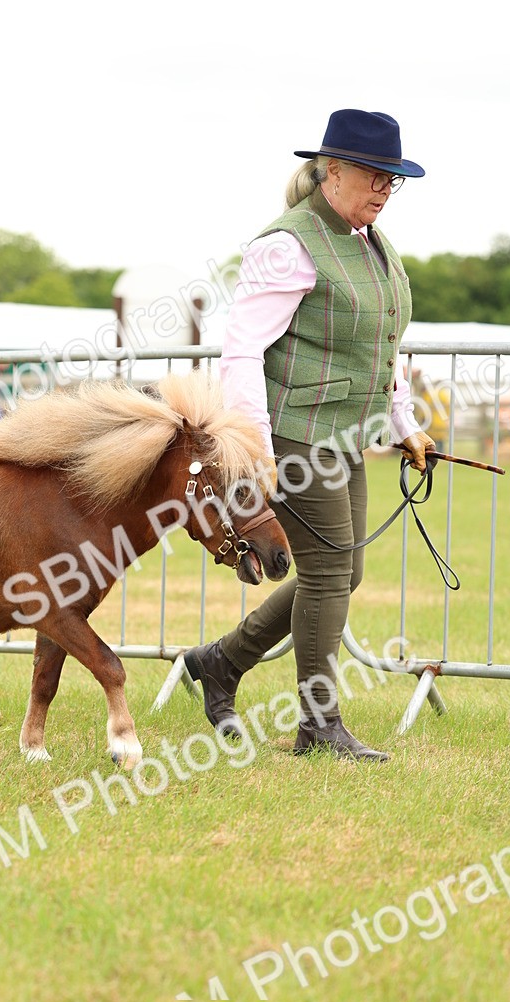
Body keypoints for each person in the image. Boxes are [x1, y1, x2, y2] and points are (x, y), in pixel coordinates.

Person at [185, 109, 435, 762]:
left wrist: (406, 425)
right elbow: (241, 353)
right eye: (376, 176)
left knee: (342, 573)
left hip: (347, 436)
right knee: (328, 575)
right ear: (333, 171)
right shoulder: (289, 245)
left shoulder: (369, 242)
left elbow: (382, 348)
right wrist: (258, 454)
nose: (384, 190)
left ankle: (220, 663)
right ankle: (319, 727)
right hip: (295, 436)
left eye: (393, 180)